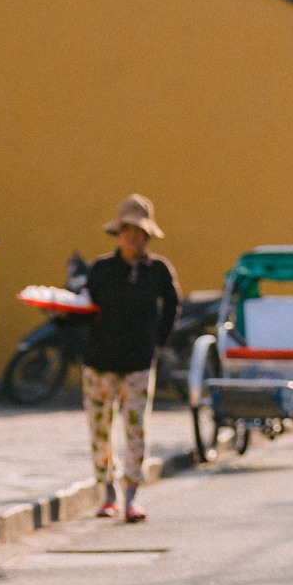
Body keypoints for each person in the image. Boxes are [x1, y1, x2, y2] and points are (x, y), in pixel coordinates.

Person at [83, 195, 179, 524]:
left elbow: (172, 304)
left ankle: (132, 497)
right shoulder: (101, 269)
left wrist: (159, 344)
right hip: (99, 363)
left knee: (137, 431)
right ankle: (107, 493)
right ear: (118, 233)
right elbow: (85, 307)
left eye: (138, 231)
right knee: (100, 431)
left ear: (147, 235)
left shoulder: (159, 270)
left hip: (138, 363)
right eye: (126, 230)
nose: (132, 236)